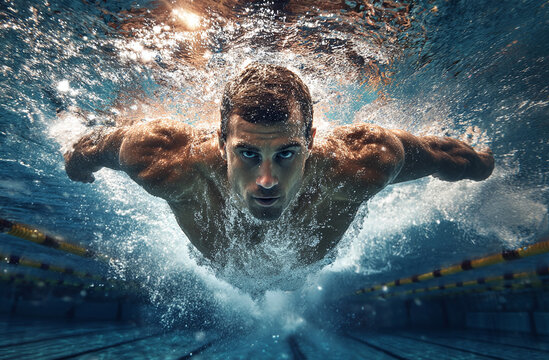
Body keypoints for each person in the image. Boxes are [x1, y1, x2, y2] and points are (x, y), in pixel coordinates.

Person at [64, 63, 494, 266]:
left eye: (285, 153)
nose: (266, 180)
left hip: (305, 270)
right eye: (247, 153)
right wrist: (77, 165)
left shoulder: (363, 161)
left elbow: (448, 157)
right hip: (224, 269)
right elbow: (87, 150)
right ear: (221, 142)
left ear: (310, 141)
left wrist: (482, 164)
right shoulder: (162, 159)